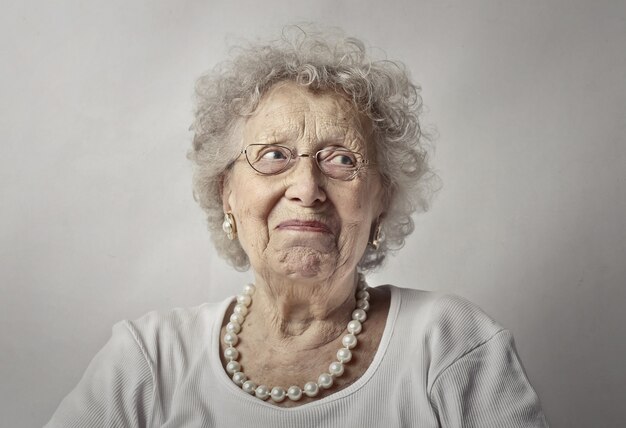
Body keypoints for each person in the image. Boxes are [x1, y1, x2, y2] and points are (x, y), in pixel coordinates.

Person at [46, 27, 548, 427]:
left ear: (380, 201)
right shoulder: (148, 360)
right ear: (228, 193)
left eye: (340, 159)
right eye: (274, 156)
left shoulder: (450, 342)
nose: (306, 187)